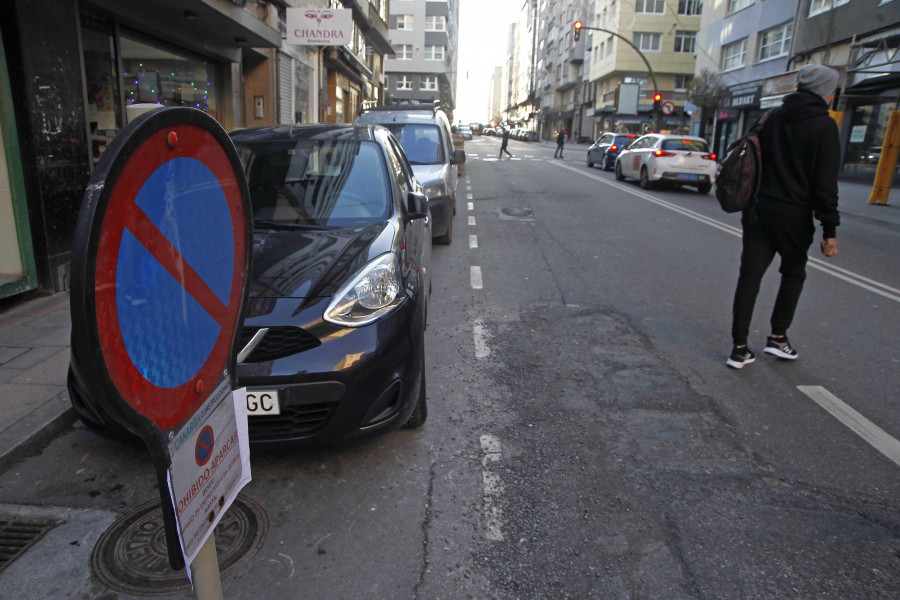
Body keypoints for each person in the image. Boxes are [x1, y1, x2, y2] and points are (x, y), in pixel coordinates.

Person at [727, 63, 841, 369]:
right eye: (832, 89)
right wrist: (829, 229)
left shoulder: (771, 117)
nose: (833, 95)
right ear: (825, 92)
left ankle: (739, 349)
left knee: (749, 277)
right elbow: (825, 184)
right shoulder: (824, 126)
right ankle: (778, 337)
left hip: (759, 211)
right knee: (793, 273)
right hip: (794, 216)